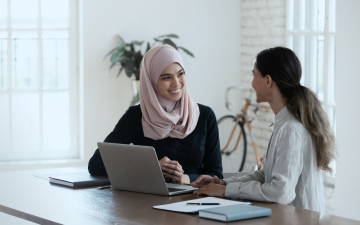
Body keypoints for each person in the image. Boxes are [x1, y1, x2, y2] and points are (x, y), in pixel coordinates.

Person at [190, 47, 336, 212]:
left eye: (253, 75)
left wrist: (226, 191)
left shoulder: (291, 130)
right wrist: (223, 184)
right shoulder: (283, 123)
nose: (251, 83)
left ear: (268, 81)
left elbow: (281, 192)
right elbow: (263, 175)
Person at [88, 45, 223, 184]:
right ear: (151, 82)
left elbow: (216, 174)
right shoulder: (136, 117)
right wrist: (151, 167)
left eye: (180, 73)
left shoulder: (205, 116)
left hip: (195, 200)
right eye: (166, 77)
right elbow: (96, 165)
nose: (176, 83)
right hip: (148, 201)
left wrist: (186, 178)